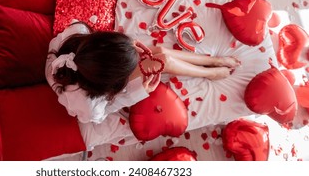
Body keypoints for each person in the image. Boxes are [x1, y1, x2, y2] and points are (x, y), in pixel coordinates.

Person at [45, 21, 240, 125]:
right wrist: (138, 93)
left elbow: (99, 48)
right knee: (162, 61)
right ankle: (210, 70)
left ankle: (214, 62)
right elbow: (101, 113)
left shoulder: (74, 41)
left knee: (160, 53)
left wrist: (126, 46)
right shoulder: (88, 104)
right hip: (93, 86)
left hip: (94, 71)